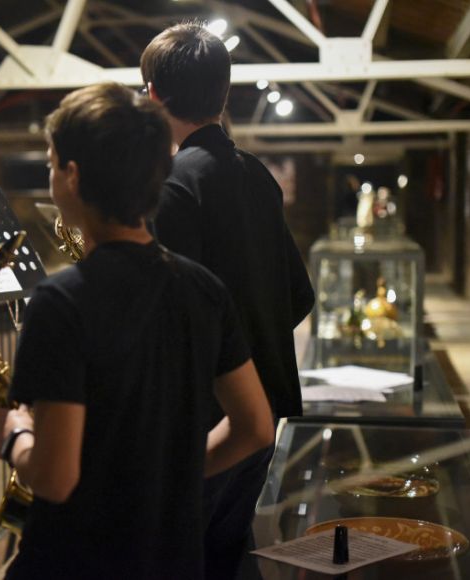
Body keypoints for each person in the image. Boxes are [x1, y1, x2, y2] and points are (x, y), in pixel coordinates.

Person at [0, 83, 274, 580]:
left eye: (52, 164)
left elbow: (54, 477)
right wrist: (170, 474)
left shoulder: (60, 302)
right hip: (174, 559)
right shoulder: (203, 289)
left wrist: (14, 437)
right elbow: (255, 428)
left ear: (72, 177)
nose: (52, 175)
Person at [141, 22, 315, 579]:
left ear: (153, 95)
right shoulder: (258, 177)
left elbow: (171, 330)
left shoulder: (173, 187)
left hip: (213, 431)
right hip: (268, 422)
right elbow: (300, 295)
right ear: (225, 92)